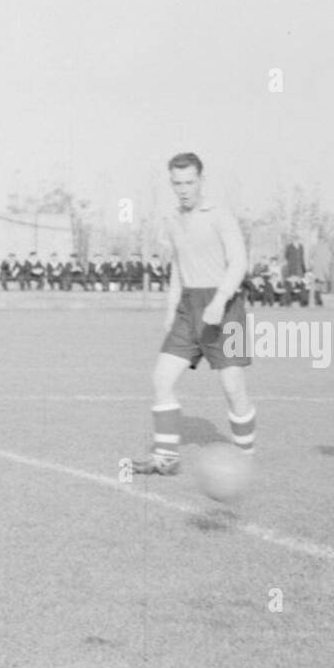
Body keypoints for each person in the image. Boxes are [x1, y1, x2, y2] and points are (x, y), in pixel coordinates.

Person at [129, 153, 256, 476]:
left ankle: (245, 455)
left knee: (232, 387)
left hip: (227, 308)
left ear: (201, 180)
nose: (183, 189)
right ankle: (165, 458)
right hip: (188, 307)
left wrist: (220, 300)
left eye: (189, 182)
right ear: (171, 183)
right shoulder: (171, 219)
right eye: (177, 183)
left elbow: (239, 262)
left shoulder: (220, 214)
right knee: (161, 378)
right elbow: (178, 268)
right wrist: (171, 309)